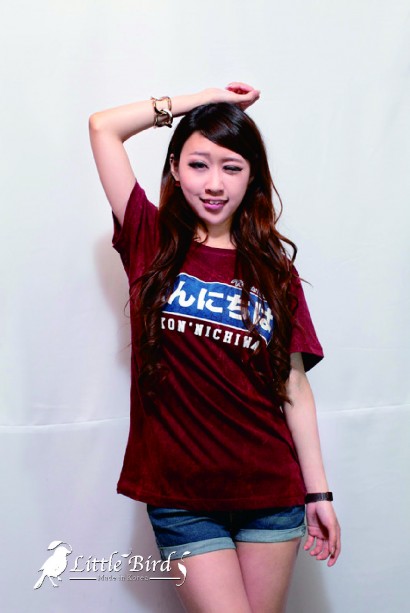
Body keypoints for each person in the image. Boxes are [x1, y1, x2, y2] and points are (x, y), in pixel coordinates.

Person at [89, 83, 341, 613]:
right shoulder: (149, 237)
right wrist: (200, 101)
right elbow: (103, 127)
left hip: (270, 493)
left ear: (252, 178)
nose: (214, 183)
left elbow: (294, 386)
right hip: (182, 499)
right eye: (199, 164)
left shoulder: (275, 271)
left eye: (232, 167)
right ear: (175, 168)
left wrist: (318, 492)